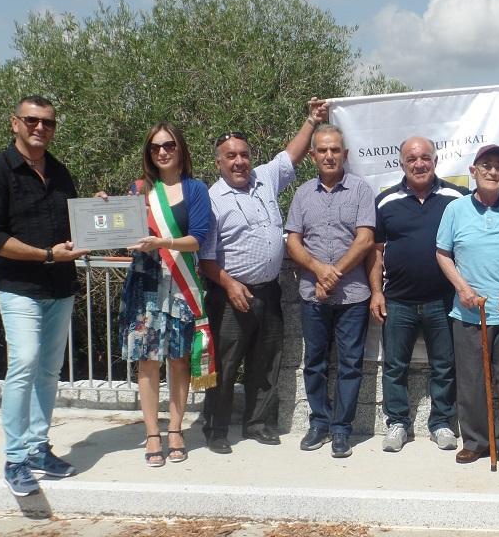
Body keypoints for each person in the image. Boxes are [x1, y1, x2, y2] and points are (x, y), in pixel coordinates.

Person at [198, 99, 329, 455]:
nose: (239, 161)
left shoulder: (264, 179)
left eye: (243, 154)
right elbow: (205, 257)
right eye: (231, 156)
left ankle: (257, 424)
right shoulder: (211, 200)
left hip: (269, 291)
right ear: (219, 162)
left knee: (266, 360)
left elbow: (292, 156)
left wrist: (312, 120)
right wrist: (227, 283)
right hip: (231, 294)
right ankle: (217, 429)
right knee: (224, 365)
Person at [0, 95, 88, 496]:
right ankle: (16, 458)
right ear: (15, 123)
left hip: (59, 288)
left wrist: (101, 218)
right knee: (23, 363)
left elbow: (76, 221)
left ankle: (39, 449)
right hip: (19, 289)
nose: (40, 127)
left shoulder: (59, 172)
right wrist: (45, 255)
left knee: (48, 370)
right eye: (32, 120)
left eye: (48, 122)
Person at [436, 144, 499, 472]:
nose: (493, 172)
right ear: (474, 170)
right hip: (468, 311)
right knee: (471, 381)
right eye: (487, 165)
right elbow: (443, 253)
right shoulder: (455, 210)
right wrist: (462, 288)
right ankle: (476, 441)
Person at [118, 123, 211, 467]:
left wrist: (164, 242)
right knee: (147, 361)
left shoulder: (196, 189)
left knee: (179, 358)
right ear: (149, 152)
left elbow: (198, 238)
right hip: (145, 285)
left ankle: (175, 429)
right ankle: (152, 432)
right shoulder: (139, 190)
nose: (162, 151)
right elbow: (123, 230)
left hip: (180, 282)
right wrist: (103, 211)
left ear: (180, 148)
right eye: (155, 147)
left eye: (169, 145)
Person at [368, 136, 470, 453]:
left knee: (444, 366)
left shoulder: (458, 198)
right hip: (398, 301)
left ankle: (441, 424)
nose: (419, 164)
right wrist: (375, 292)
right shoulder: (385, 201)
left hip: (443, 301)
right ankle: (397, 423)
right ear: (401, 164)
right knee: (395, 366)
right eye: (411, 159)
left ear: (435, 161)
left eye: (425, 157)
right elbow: (376, 252)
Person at [286, 124, 376, 458]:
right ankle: (319, 424)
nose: (329, 155)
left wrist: (333, 273)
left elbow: (365, 239)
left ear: (345, 154)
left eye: (335, 150)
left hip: (352, 295)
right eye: (322, 150)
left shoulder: (361, 191)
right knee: (315, 363)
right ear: (312, 156)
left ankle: (341, 430)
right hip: (313, 295)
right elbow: (293, 240)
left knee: (351, 364)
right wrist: (318, 271)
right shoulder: (302, 194)